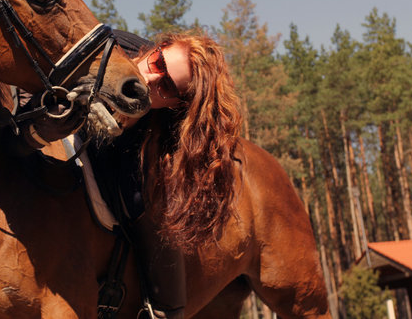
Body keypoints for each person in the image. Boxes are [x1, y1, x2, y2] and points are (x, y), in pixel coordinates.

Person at [13, 30, 243, 319]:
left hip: (126, 155)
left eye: (168, 87)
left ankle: (165, 309)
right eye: (158, 63)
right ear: (159, 47)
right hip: (54, 119)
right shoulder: (113, 43)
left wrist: (126, 125)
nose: (150, 79)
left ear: (176, 104)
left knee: (142, 204)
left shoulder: (170, 123)